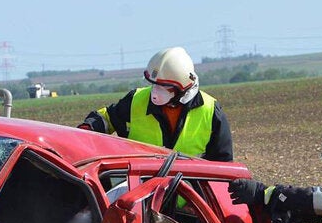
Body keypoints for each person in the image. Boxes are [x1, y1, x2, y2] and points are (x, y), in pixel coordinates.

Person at [79, 47, 233, 162]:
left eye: (164, 86)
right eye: (154, 84)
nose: (155, 92)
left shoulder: (210, 111)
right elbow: (107, 118)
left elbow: (224, 163)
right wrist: (87, 128)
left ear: (183, 87)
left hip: (189, 193)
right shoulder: (135, 100)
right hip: (140, 191)